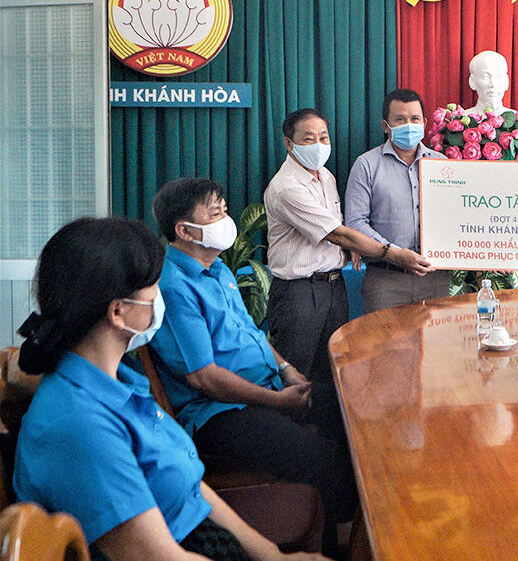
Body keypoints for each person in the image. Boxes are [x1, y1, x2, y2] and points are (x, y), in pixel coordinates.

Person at [13, 216, 326, 561]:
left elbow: (191, 489)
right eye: (154, 287)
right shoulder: (81, 426)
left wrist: (273, 556)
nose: (161, 296)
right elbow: (160, 556)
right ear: (118, 312)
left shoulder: (121, 382)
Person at [150, 178, 356, 557]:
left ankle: (355, 529)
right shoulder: (175, 286)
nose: (225, 219)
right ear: (184, 231)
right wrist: (277, 402)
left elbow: (252, 335)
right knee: (317, 458)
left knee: (349, 412)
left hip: (266, 388)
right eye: (214, 214)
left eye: (225, 210)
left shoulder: (218, 269)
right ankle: (332, 550)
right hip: (219, 413)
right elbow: (205, 377)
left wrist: (287, 369)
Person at [264, 108, 429, 382]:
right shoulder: (287, 187)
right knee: (297, 378)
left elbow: (339, 228)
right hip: (299, 294)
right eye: (308, 139)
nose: (318, 145)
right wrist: (392, 254)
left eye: (323, 137)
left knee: (333, 375)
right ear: (288, 144)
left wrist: (353, 244)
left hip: (333, 287)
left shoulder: (325, 176)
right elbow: (338, 234)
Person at [344, 89, 448, 313]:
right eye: (400, 119)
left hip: (435, 279)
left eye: (415, 119)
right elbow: (355, 223)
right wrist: (394, 253)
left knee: (435, 336)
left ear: (424, 123)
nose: (408, 125)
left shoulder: (442, 164)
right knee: (384, 337)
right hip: (385, 281)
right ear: (385, 126)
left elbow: (457, 217)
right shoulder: (366, 165)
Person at [468, 50, 510, 114]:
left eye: (499, 76)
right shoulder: (461, 118)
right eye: (485, 76)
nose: (493, 84)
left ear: (506, 81)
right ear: (472, 81)